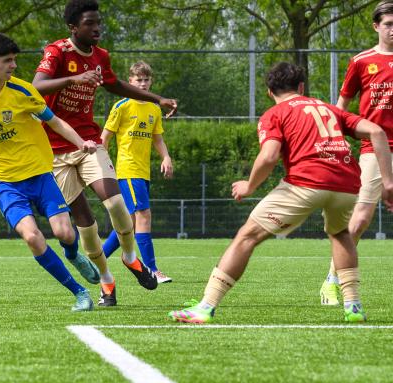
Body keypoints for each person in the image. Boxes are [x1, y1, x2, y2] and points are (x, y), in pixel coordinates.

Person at [168, 62, 393, 324]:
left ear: (268, 91)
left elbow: (269, 156)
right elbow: (376, 131)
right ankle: (353, 306)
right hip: (347, 185)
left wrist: (249, 186)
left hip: (306, 183)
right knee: (341, 233)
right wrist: (388, 183)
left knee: (246, 237)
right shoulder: (329, 108)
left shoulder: (274, 113)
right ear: (301, 87)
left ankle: (206, 306)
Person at [32, 0, 178, 307]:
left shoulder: (101, 56)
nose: (97, 28)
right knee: (85, 223)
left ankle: (129, 257)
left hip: (87, 143)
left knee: (114, 201)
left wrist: (157, 98)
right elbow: (37, 87)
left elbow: (116, 85)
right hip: (54, 151)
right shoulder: (57, 52)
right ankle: (107, 282)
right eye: (90, 23)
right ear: (73, 27)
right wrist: (74, 79)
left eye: (99, 22)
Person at [0, 31, 102, 312]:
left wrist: (82, 143)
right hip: (4, 180)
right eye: (8, 61)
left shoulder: (22, 92)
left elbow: (54, 121)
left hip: (39, 172)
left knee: (65, 233)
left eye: (14, 60)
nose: (14, 66)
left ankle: (73, 254)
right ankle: (79, 293)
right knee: (32, 237)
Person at [319, 0, 393, 306]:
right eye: (388, 23)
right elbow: (342, 105)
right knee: (360, 218)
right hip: (374, 148)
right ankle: (332, 279)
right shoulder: (362, 61)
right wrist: (335, 140)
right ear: (376, 26)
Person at [100, 61, 174, 283]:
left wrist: (166, 157)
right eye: (138, 80)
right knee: (144, 215)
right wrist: (102, 166)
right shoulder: (122, 106)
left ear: (151, 81)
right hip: (127, 169)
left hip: (143, 171)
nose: (142, 84)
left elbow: (157, 138)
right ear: (129, 81)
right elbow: (104, 138)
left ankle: (98, 259)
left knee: (129, 223)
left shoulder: (154, 108)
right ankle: (151, 269)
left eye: (146, 80)